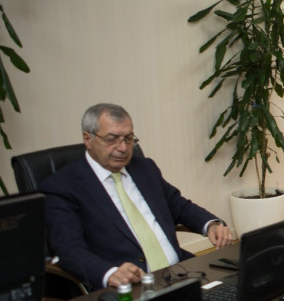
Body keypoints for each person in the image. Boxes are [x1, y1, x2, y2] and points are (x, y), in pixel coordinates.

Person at [39, 103, 233, 290]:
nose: (123, 148)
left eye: (129, 138)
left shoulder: (144, 168)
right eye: (112, 139)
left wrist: (210, 224)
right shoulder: (62, 187)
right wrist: (109, 273)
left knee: (237, 290)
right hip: (129, 287)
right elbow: (69, 250)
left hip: (180, 271)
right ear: (88, 139)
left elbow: (178, 205)